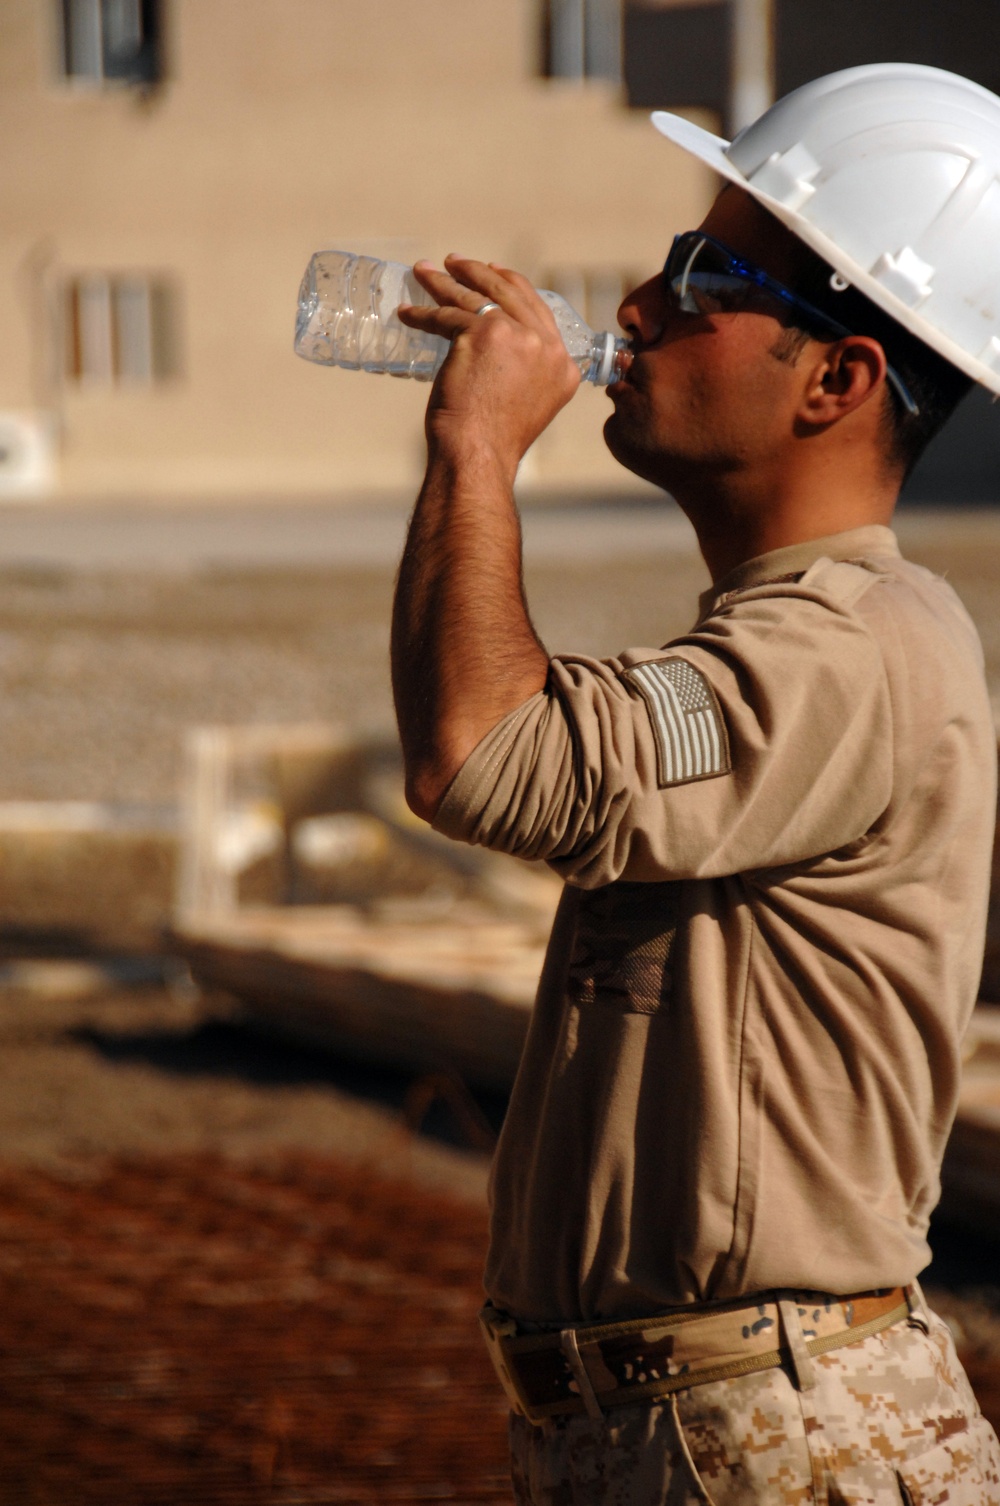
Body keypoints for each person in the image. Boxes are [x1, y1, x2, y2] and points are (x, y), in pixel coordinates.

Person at [391, 63, 1000, 1504]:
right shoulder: (787, 639)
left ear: (840, 378)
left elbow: (486, 752)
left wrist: (478, 447)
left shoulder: (858, 646)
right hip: (683, 1426)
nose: (639, 307)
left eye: (709, 274)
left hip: (778, 1439)